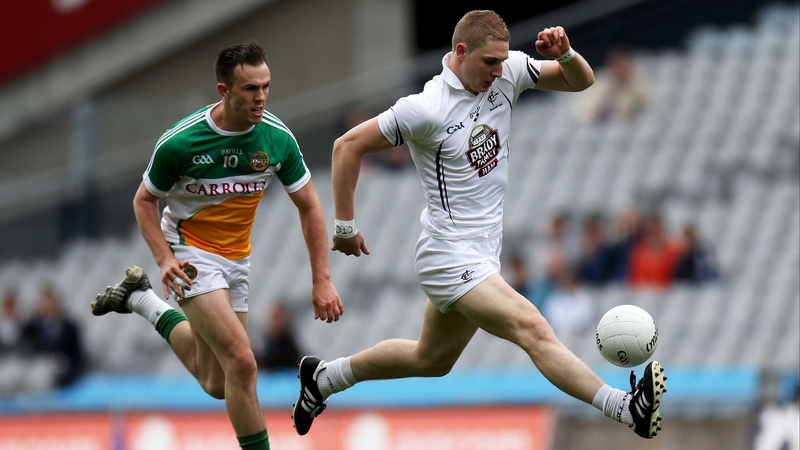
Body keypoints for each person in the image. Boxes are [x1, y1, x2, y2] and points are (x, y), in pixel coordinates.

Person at [292, 10, 666, 440]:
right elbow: (346, 146)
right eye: (489, 62)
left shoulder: (508, 71)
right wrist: (344, 227)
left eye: (502, 60)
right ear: (461, 52)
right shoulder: (425, 108)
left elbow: (580, 81)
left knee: (431, 360)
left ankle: (324, 378)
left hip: (482, 253)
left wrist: (565, 54)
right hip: (448, 254)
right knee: (533, 328)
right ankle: (626, 407)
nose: (498, 70)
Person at [90, 41, 343, 450]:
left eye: (266, 86)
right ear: (224, 90)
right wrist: (164, 258)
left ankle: (142, 300)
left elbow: (310, 206)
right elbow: (144, 201)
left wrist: (322, 279)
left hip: (237, 258)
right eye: (250, 88)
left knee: (216, 382)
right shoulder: (181, 142)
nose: (261, 97)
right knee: (243, 362)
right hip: (188, 251)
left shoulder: (276, 138)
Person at [22, 285, 85, 387]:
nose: (48, 306)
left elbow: (77, 353)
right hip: (42, 366)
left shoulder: (70, 326)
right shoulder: (35, 327)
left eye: (50, 302)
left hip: (66, 370)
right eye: (45, 303)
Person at [572, 45, 652, 124]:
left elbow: (647, 103)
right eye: (617, 65)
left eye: (623, 65)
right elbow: (587, 109)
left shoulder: (639, 82)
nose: (620, 70)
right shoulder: (600, 82)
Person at [258, 302, 303, 372]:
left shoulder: (292, 347)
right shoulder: (267, 344)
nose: (276, 323)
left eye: (278, 318)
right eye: (274, 319)